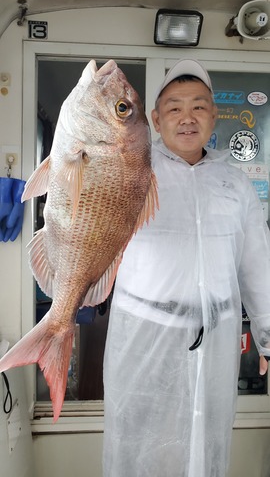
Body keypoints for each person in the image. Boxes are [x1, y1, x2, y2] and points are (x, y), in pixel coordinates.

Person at [102, 59, 270, 477]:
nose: (187, 117)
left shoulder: (235, 184)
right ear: (156, 120)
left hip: (217, 337)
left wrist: (267, 338)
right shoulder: (133, 171)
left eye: (198, 106)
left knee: (205, 442)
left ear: (215, 116)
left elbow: (257, 266)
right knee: (138, 446)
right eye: (174, 108)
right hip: (144, 334)